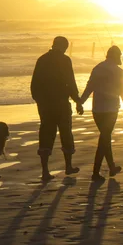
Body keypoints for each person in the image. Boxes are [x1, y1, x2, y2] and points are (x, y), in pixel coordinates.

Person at [31, 36, 84, 182]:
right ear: (63, 46)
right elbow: (70, 83)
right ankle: (68, 166)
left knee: (46, 134)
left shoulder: (42, 59)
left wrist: (40, 101)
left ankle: (45, 171)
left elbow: (34, 84)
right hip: (61, 103)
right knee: (66, 133)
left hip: (46, 105)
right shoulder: (65, 60)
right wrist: (77, 101)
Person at [80, 46, 123, 182]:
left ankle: (112, 167)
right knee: (104, 139)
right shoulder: (119, 71)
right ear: (115, 56)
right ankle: (95, 173)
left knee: (105, 137)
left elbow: (89, 87)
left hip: (97, 110)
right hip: (111, 110)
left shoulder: (97, 68)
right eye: (119, 55)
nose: (121, 58)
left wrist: (81, 102)